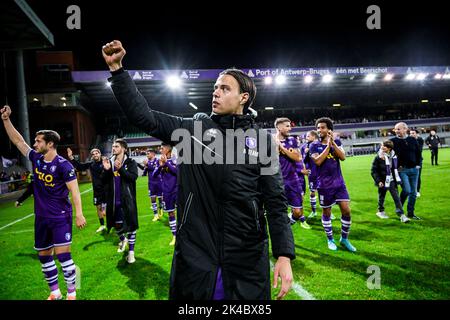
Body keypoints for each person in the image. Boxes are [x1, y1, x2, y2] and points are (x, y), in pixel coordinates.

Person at [102, 40, 294, 300]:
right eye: (215, 87)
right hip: (196, 252)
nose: (215, 92)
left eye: (224, 88)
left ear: (243, 97)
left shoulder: (263, 142)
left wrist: (283, 254)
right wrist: (118, 72)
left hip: (246, 255)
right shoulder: (193, 130)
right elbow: (145, 118)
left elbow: (275, 201)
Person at [1, 105, 86, 300]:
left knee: (64, 258)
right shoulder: (37, 159)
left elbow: (74, 191)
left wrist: (79, 214)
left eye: (39, 141)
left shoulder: (64, 165)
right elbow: (18, 141)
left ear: (50, 144)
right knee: (44, 256)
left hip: (60, 217)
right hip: (41, 218)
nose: (35, 143)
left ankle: (72, 293)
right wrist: (6, 120)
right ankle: (55, 292)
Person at [310, 117, 356, 252]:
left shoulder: (337, 142)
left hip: (339, 183)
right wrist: (327, 147)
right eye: (318, 128)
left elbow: (342, 157)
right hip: (324, 184)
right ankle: (330, 239)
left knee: (346, 210)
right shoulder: (314, 145)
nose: (319, 130)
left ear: (329, 130)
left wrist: (333, 144)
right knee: (327, 212)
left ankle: (344, 238)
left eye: (322, 127)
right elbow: (318, 161)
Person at [101, 138, 139, 264]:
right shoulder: (109, 162)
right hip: (113, 202)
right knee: (116, 226)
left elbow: (133, 177)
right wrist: (106, 170)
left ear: (123, 148)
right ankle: (123, 239)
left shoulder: (131, 162)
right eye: (113, 147)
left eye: (116, 146)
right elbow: (103, 181)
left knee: (131, 226)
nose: (113, 148)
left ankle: (131, 253)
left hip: (127, 200)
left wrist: (121, 169)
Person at [275, 118, 310, 229]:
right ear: (279, 127)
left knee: (298, 212)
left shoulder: (292, 140)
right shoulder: (270, 141)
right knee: (278, 210)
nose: (289, 128)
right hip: (277, 181)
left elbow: (297, 157)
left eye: (290, 126)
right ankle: (282, 230)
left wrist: (281, 148)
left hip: (293, 179)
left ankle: (289, 222)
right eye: (287, 126)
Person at [67, 147, 108, 233]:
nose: (95, 155)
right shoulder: (91, 164)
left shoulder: (106, 162)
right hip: (97, 190)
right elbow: (80, 166)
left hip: (106, 190)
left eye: (96, 153)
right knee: (98, 208)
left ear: (100, 154)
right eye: (93, 154)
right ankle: (102, 225)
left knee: (105, 212)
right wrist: (71, 157)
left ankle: (114, 223)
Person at [391, 122, 422, 220]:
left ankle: (411, 213)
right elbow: (382, 149)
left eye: (399, 129)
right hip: (402, 170)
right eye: (396, 129)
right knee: (407, 190)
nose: (396, 131)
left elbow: (418, 153)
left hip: (414, 170)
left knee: (413, 192)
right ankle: (399, 209)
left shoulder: (412, 139)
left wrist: (418, 165)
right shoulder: (393, 141)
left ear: (405, 129)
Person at [371, 140, 408, 222]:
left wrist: (399, 170)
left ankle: (402, 215)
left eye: (385, 146)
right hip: (382, 180)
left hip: (392, 180)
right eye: (382, 145)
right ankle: (380, 211)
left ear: (389, 148)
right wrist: (378, 181)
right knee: (382, 196)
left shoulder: (394, 156)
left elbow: (397, 167)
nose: (382, 147)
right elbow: (374, 171)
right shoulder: (378, 157)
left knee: (396, 197)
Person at [153, 144, 178, 245]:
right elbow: (154, 175)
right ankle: (175, 236)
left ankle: (185, 235)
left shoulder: (175, 159)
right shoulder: (160, 161)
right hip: (167, 193)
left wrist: (166, 163)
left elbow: (177, 172)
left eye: (162, 148)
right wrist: (160, 166)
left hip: (177, 191)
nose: (160, 149)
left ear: (168, 149)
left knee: (182, 214)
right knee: (171, 213)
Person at [142, 149, 163, 221]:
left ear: (153, 154)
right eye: (146, 154)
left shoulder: (158, 161)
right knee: (153, 199)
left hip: (159, 182)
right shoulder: (147, 163)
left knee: (160, 199)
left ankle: (161, 210)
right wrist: (145, 167)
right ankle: (156, 215)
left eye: (148, 153)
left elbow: (156, 170)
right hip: (151, 183)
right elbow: (144, 174)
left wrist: (148, 165)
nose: (147, 155)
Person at [409, 129, 424, 197]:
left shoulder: (420, 140)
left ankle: (417, 191)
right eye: (410, 133)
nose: (411, 134)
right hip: (409, 161)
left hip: (418, 161)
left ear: (417, 134)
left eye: (413, 133)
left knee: (417, 176)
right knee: (409, 176)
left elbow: (419, 150)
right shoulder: (408, 140)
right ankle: (411, 190)